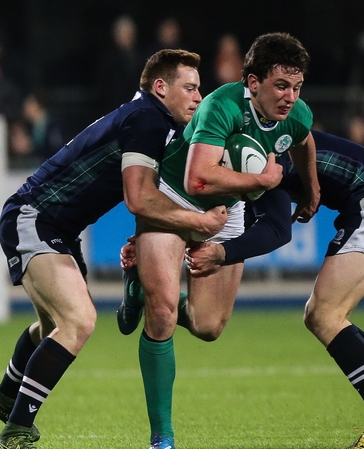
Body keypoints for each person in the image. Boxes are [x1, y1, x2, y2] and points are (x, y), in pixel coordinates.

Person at [0, 49, 229, 449]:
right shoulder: (148, 118)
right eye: (191, 88)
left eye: (200, 89)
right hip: (36, 217)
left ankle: (9, 395)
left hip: (56, 225)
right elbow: (139, 198)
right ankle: (16, 431)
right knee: (78, 321)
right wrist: (201, 223)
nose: (199, 97)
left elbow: (144, 194)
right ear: (160, 87)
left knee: (53, 328)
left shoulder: (146, 115)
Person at [123, 131, 364, 449]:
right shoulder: (252, 143)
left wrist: (221, 253)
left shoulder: (255, 159)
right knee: (323, 315)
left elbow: (278, 230)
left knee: (325, 316)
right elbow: (261, 215)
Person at [116, 32, 319, 449]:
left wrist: (312, 189)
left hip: (227, 215)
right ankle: (163, 437)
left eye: (296, 87)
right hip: (173, 201)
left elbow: (304, 142)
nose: (290, 97)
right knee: (164, 312)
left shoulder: (296, 113)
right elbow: (198, 178)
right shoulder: (221, 105)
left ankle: (137, 283)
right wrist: (262, 180)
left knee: (208, 327)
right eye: (281, 86)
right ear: (252, 83)